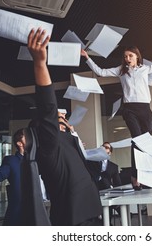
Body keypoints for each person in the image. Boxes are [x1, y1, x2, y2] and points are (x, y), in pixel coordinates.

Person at [81, 42, 152, 188]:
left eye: (130, 56)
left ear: (137, 57)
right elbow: (101, 72)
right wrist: (87, 57)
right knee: (137, 140)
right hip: (129, 109)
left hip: (145, 109)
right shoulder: (121, 71)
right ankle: (135, 176)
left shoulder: (145, 69)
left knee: (145, 142)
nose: (128, 58)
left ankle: (145, 174)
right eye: (125, 56)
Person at [27, 27, 102, 226]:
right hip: (74, 221)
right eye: (58, 120)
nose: (63, 119)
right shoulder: (50, 148)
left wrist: (71, 130)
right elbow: (47, 108)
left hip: (91, 213)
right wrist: (40, 63)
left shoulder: (68, 141)